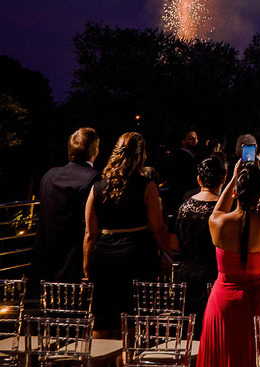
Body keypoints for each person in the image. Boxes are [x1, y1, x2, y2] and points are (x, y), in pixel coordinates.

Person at [196, 161, 260, 367]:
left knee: (225, 361)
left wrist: (234, 178)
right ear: (259, 193)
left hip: (225, 303)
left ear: (236, 192)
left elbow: (218, 208)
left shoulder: (218, 223)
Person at [83, 131, 172, 338]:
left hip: (103, 256)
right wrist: (167, 252)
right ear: (140, 156)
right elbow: (157, 227)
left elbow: (90, 232)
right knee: (131, 321)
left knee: (102, 320)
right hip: (137, 255)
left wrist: (87, 266)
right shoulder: (147, 186)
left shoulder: (97, 187)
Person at [33, 128, 100, 284]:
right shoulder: (94, 179)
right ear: (95, 151)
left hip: (46, 261)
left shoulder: (49, 175)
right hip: (75, 263)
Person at [173, 155, 226, 329]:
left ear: (199, 179)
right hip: (214, 276)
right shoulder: (223, 209)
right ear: (224, 178)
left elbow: (176, 240)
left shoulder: (185, 206)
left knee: (189, 329)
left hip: (186, 276)